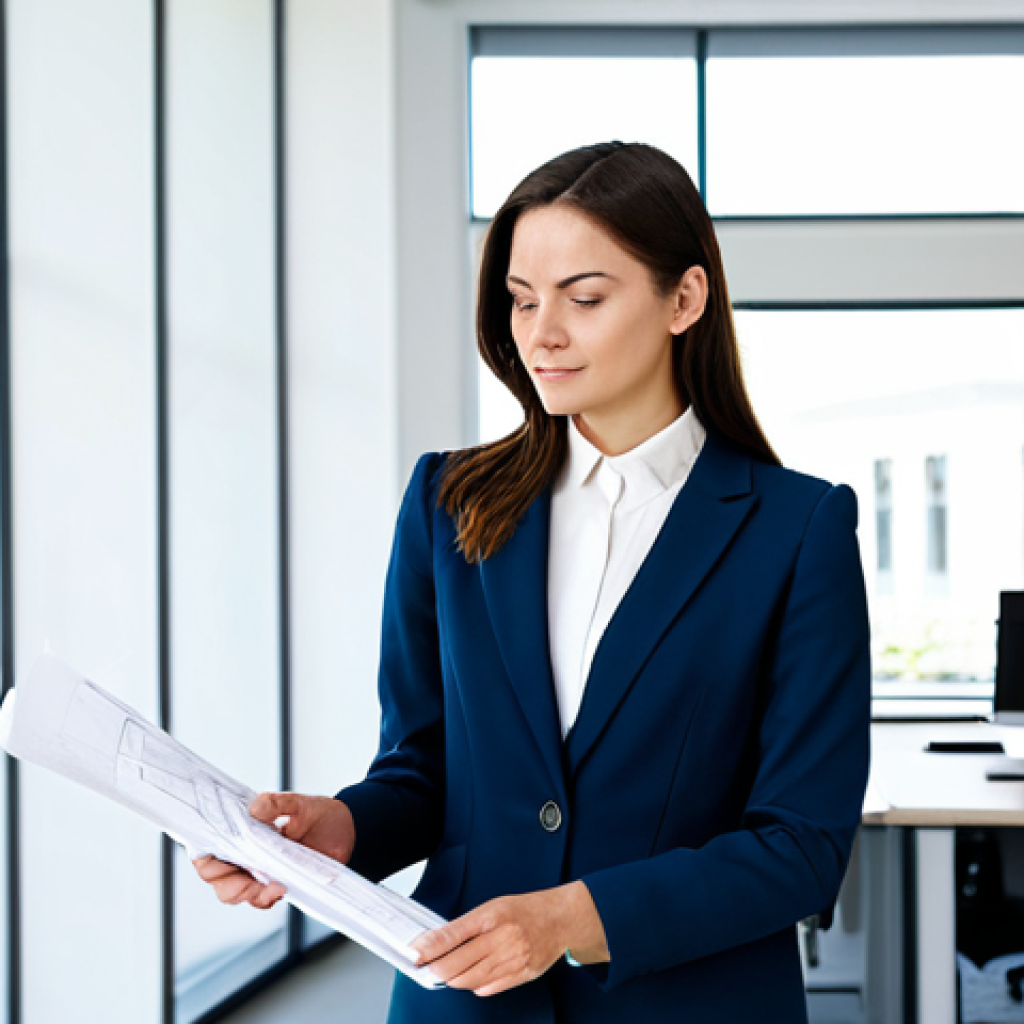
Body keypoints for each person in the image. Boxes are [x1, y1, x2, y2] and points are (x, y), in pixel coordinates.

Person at [194, 141, 871, 1023]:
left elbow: (802, 846)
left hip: (688, 1003)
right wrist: (342, 830)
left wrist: (573, 918)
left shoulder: (798, 529)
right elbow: (425, 771)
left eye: (584, 299)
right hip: (462, 1001)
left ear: (685, 298)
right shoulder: (450, 501)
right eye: (521, 300)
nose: (540, 332)